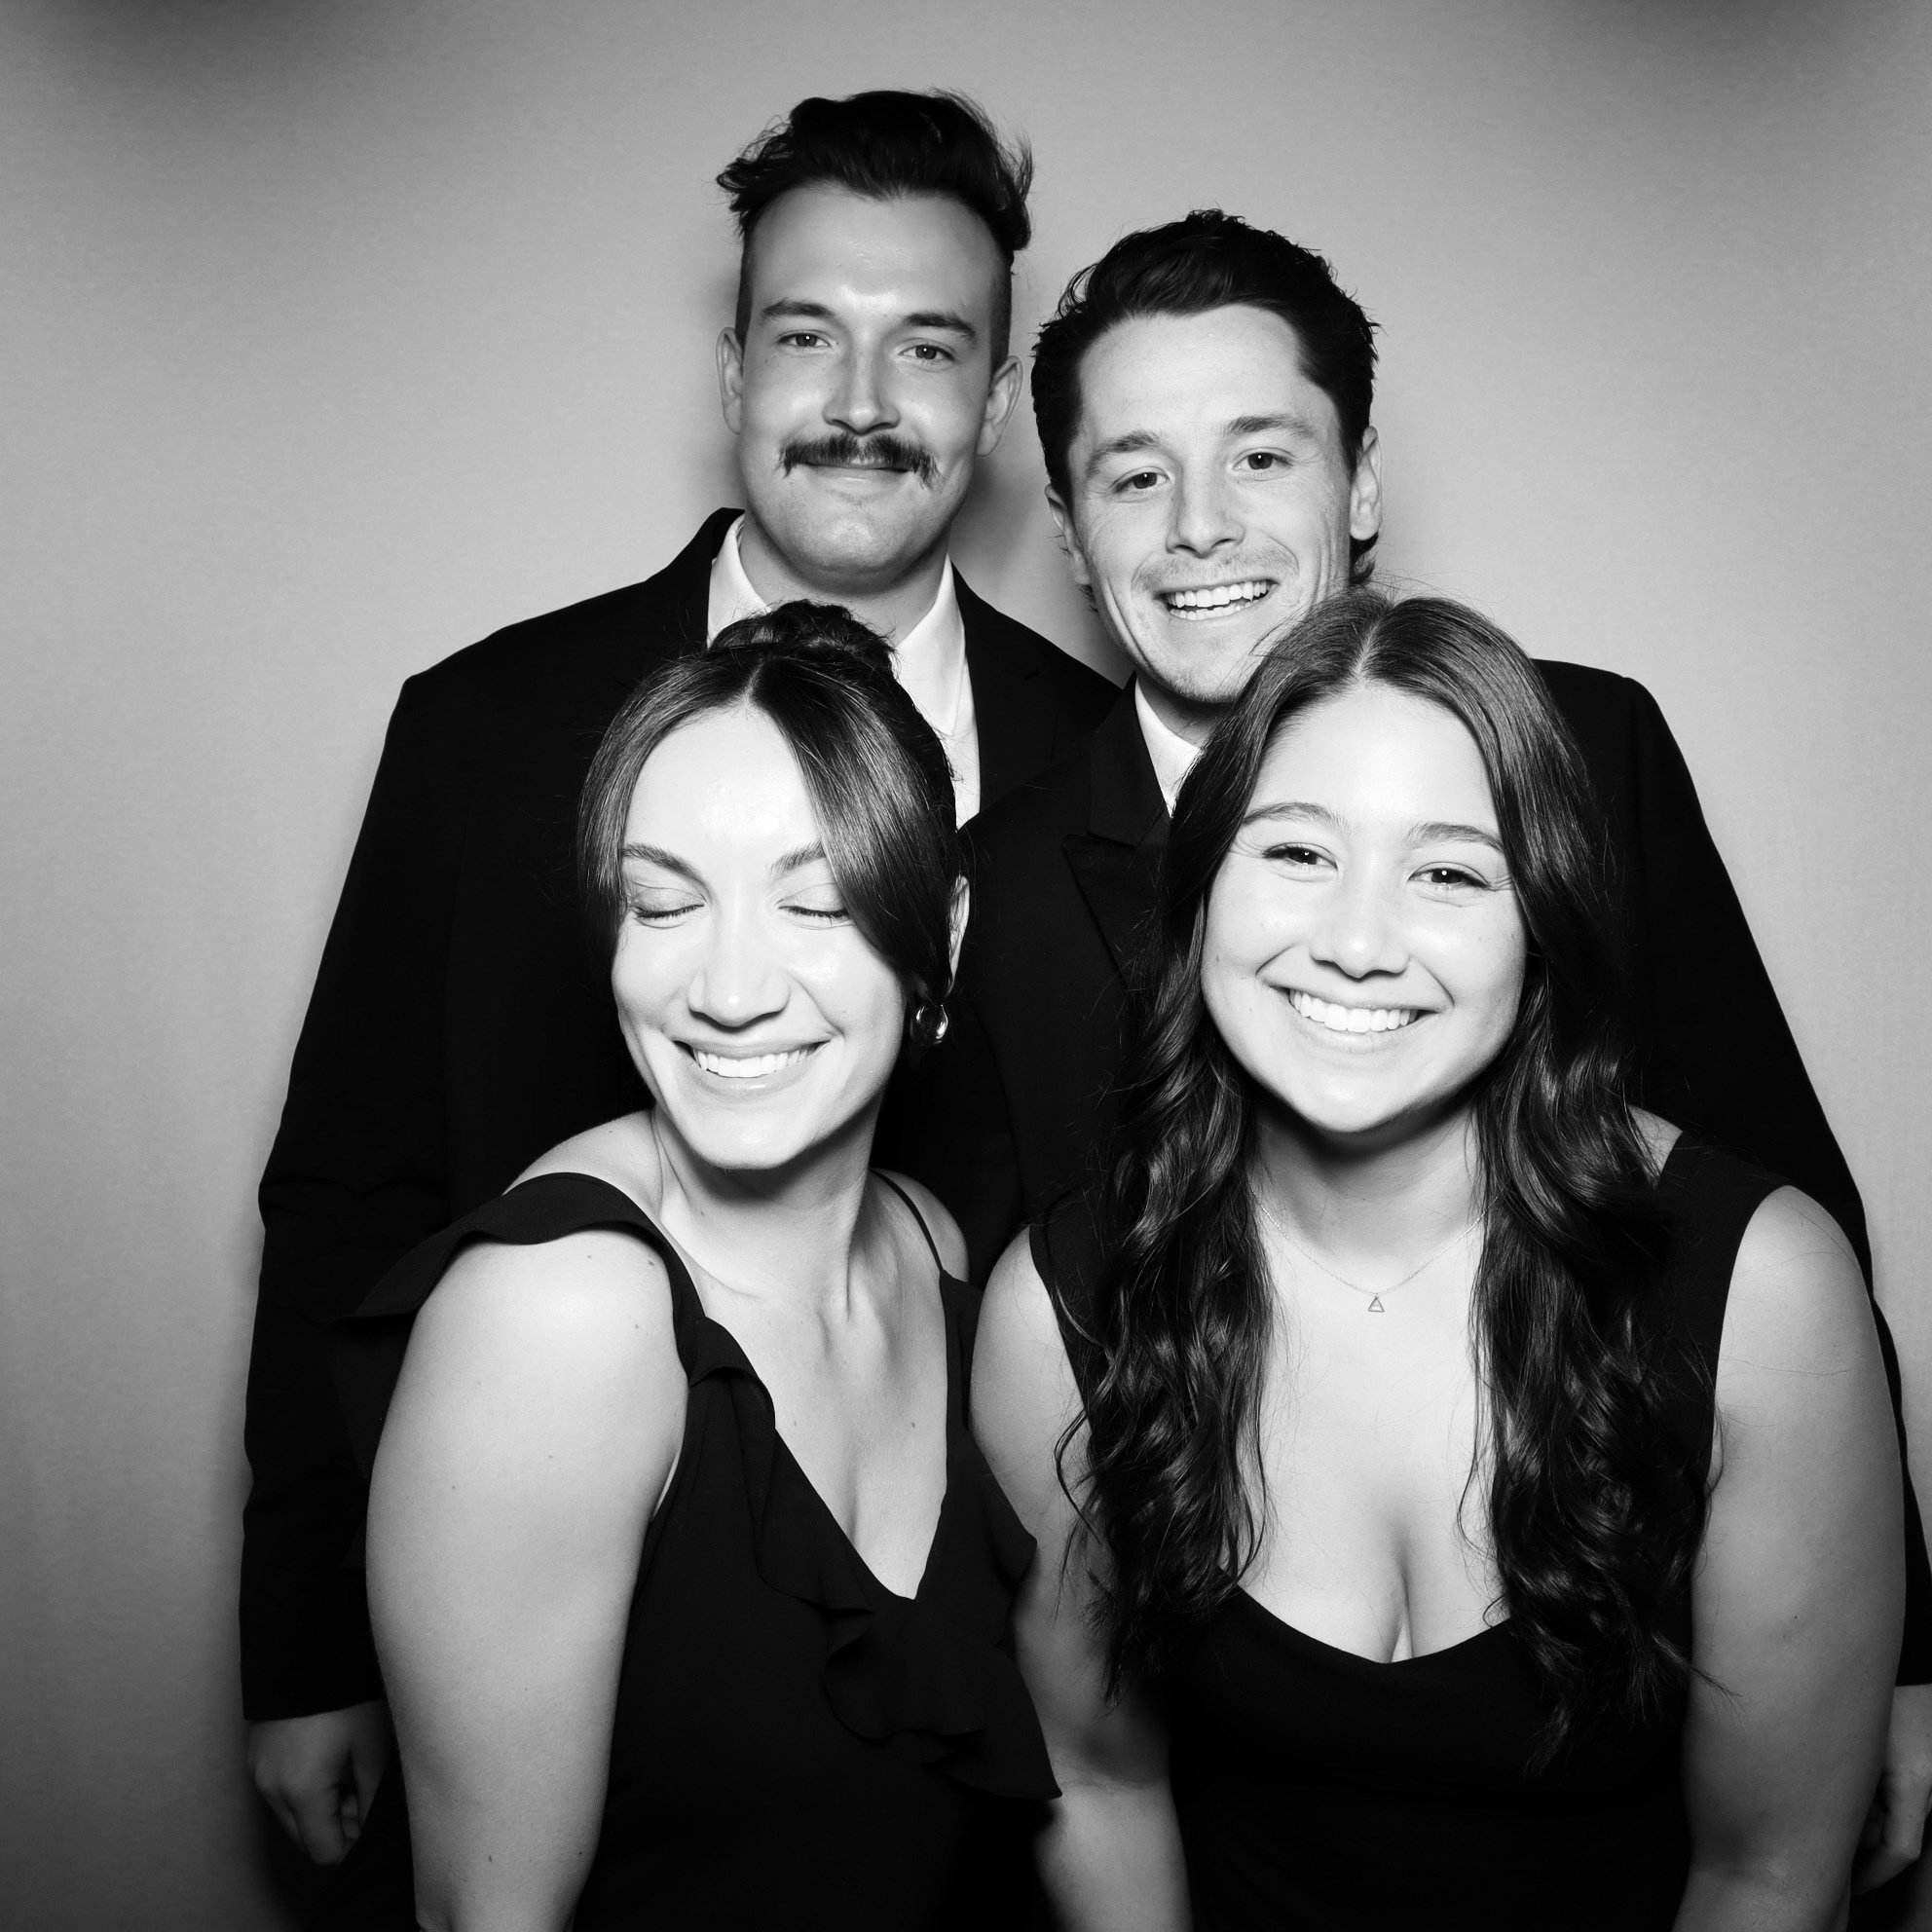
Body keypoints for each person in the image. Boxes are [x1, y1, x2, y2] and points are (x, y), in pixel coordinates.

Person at [890, 208, 1932, 1877]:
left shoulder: (1585, 743)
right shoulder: (994, 882)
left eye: (1263, 453)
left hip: (1619, 1679)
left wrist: (1886, 1642)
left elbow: (1774, 1212)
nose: (1203, 525)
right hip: (1238, 1737)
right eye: (1135, 474)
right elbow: (965, 1329)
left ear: (1361, 484)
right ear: (1073, 532)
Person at [242, 89, 1111, 1862]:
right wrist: (306, 1643)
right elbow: (348, 1187)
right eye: (807, 337)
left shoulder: (1109, 766)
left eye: (926, 348)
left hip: (997, 1668)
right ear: (732, 371)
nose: (862, 405)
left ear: (996, 403)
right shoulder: (486, 730)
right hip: (584, 1667)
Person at [974, 591, 1904, 1929]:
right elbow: (1099, 1781)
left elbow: (1766, 1869)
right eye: (1295, 853)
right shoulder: (1065, 1308)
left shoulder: (1761, 1295)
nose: (1356, 943)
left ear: (1547, 930)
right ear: (1198, 896)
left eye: (1452, 872)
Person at [320, 603, 1056, 1928]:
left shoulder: (939, 1253)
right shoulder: (559, 1315)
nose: (726, 985)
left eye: (813, 901)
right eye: (664, 902)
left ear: (940, 937)